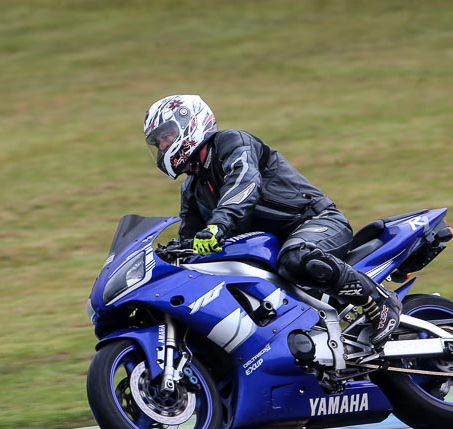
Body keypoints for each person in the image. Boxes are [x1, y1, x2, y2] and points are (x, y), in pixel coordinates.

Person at [143, 94, 401, 349]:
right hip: (271, 247)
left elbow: (244, 183)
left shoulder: (232, 143)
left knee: (297, 258)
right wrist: (168, 257)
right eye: (158, 143)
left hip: (314, 220)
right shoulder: (192, 187)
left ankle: (379, 301)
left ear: (190, 123)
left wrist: (218, 225)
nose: (163, 147)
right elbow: (190, 237)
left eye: (166, 136)